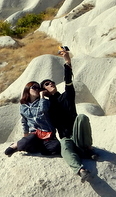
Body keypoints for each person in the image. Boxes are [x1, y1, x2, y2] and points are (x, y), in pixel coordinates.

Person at [40, 48, 96, 182]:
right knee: (64, 146)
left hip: (78, 135)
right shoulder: (47, 105)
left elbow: (68, 81)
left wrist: (67, 61)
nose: (51, 84)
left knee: (82, 117)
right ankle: (81, 170)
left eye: (52, 82)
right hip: (66, 138)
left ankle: (89, 150)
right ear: (44, 90)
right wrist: (42, 97)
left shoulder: (67, 96)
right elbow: (42, 114)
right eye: (47, 84)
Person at [4, 82, 60, 157]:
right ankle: (16, 145)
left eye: (38, 88)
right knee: (27, 141)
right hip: (34, 134)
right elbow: (24, 121)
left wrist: (42, 96)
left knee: (56, 147)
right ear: (27, 90)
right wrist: (25, 136)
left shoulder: (45, 102)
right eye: (34, 87)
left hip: (47, 134)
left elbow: (43, 110)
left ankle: (34, 147)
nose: (37, 89)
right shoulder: (23, 107)